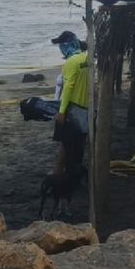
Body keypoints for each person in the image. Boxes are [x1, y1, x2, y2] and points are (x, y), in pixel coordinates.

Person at [51, 30, 89, 174]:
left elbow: (68, 87)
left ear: (67, 44)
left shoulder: (71, 62)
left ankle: (61, 171)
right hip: (85, 107)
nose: (60, 48)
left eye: (61, 44)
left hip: (72, 108)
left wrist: (61, 112)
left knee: (67, 143)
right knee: (79, 144)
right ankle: (72, 171)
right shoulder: (85, 58)